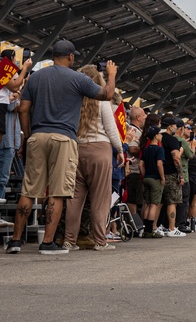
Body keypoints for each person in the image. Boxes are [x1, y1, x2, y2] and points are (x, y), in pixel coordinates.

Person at [7, 41, 117, 255]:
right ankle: (47, 243)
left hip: (38, 136)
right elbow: (106, 95)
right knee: (57, 192)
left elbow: (23, 109)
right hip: (64, 139)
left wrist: (28, 135)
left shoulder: (36, 77)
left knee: (29, 190)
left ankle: (15, 241)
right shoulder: (78, 78)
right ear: (70, 57)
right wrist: (111, 74)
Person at [63, 65, 124, 251]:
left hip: (77, 149)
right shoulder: (102, 100)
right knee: (100, 198)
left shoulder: (74, 100)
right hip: (100, 150)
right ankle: (100, 240)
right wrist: (120, 149)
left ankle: (69, 240)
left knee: (74, 199)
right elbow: (112, 129)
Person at [0, 49, 32, 218]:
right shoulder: (4, 75)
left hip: (12, 140)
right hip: (7, 140)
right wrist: (25, 70)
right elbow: (15, 104)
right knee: (3, 177)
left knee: (6, 178)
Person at [159, 117, 186, 237]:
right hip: (171, 174)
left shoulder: (159, 138)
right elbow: (176, 158)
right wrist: (181, 175)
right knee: (172, 202)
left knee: (158, 202)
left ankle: (154, 226)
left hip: (159, 173)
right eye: (175, 126)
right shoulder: (172, 140)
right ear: (170, 126)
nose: (176, 128)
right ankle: (171, 228)